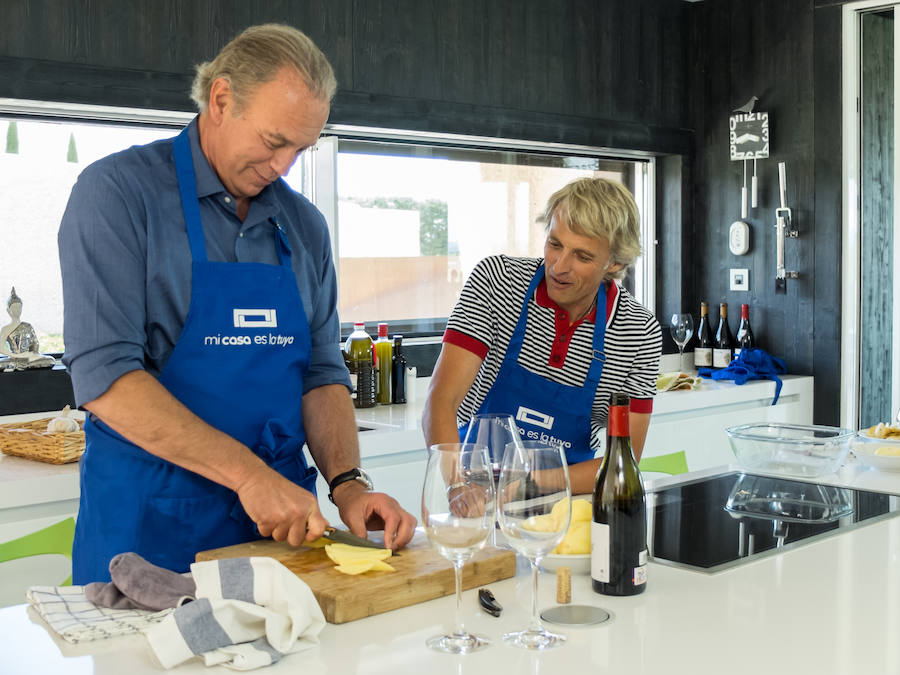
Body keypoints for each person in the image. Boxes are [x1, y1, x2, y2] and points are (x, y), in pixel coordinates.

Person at [58, 24, 416, 584]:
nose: (283, 166)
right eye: (274, 141)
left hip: (281, 538)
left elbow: (320, 373)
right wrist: (248, 477)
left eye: (301, 148)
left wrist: (348, 484)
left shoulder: (305, 227)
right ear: (221, 100)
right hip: (148, 533)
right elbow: (106, 377)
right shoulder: (118, 195)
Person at [422, 177, 662, 495]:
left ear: (614, 262)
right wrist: (459, 488)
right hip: (474, 489)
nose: (559, 267)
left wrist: (525, 484)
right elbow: (441, 401)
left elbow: (624, 460)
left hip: (568, 503)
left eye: (583, 256)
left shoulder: (639, 332)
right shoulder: (497, 282)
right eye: (554, 244)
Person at [0, 287, 55, 369]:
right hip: (14, 357)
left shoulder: (28, 326)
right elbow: (1, 348)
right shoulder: (5, 329)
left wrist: (33, 353)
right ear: (8, 310)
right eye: (14, 308)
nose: (17, 310)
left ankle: (18, 366)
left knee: (50, 360)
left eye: (19, 307)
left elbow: (35, 345)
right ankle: (22, 365)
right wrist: (16, 355)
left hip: (28, 358)